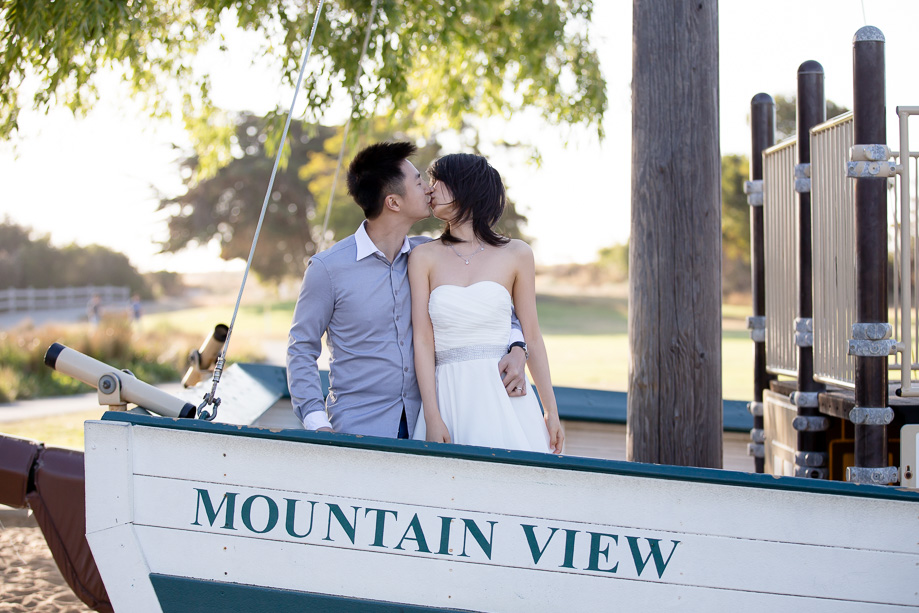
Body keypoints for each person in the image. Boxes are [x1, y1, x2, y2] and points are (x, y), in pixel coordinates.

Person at [287, 142, 528, 438]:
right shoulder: (328, 268)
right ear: (393, 202)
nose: (429, 189)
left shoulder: (429, 254)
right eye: (418, 182)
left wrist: (518, 347)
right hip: (358, 428)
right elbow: (301, 347)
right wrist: (316, 423)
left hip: (429, 421)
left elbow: (493, 304)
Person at [409, 153, 564, 454]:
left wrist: (551, 411)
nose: (430, 189)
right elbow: (423, 340)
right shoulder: (423, 257)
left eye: (438, 181)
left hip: (504, 395)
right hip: (448, 393)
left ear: (466, 188)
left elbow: (531, 334)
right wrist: (432, 413)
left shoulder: (516, 254)